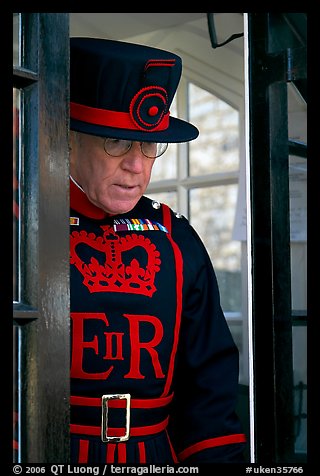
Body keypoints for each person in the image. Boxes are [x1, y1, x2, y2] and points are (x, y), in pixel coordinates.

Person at [69, 36, 247, 464]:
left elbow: (209, 390)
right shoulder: (26, 232)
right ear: (67, 138)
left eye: (149, 145)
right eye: (117, 143)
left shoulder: (177, 238)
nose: (137, 165)